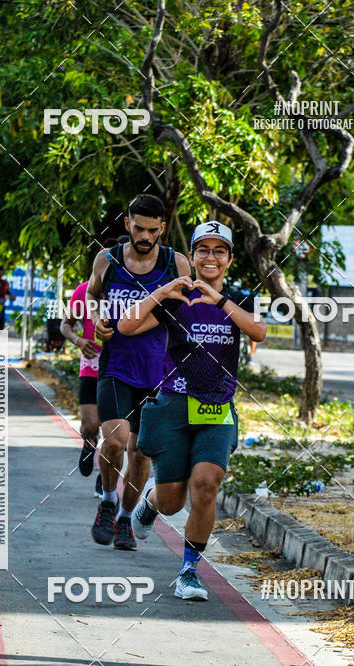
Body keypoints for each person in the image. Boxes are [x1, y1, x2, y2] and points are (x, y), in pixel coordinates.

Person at [119, 221, 266, 600]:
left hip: (217, 409)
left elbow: (258, 332)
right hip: (173, 407)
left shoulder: (239, 299)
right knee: (172, 502)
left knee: (206, 484)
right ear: (193, 256)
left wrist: (219, 301)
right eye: (204, 250)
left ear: (230, 259)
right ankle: (152, 501)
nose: (211, 257)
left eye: (220, 251)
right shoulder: (175, 299)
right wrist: (163, 290)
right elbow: (127, 325)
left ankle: (188, 571)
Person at [88, 194, 190, 551]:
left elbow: (185, 311)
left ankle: (124, 519)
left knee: (141, 453)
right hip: (115, 367)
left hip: (158, 372)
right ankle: (107, 501)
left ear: (161, 229)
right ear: (127, 224)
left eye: (151, 230)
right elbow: (93, 296)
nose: (144, 236)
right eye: (138, 228)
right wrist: (98, 319)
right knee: (115, 441)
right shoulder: (108, 259)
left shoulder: (176, 263)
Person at [60, 281, 103, 494]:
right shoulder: (84, 290)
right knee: (90, 425)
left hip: (123, 364)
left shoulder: (131, 288)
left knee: (116, 434)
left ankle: (105, 481)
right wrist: (78, 341)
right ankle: (89, 444)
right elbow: (65, 324)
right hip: (91, 362)